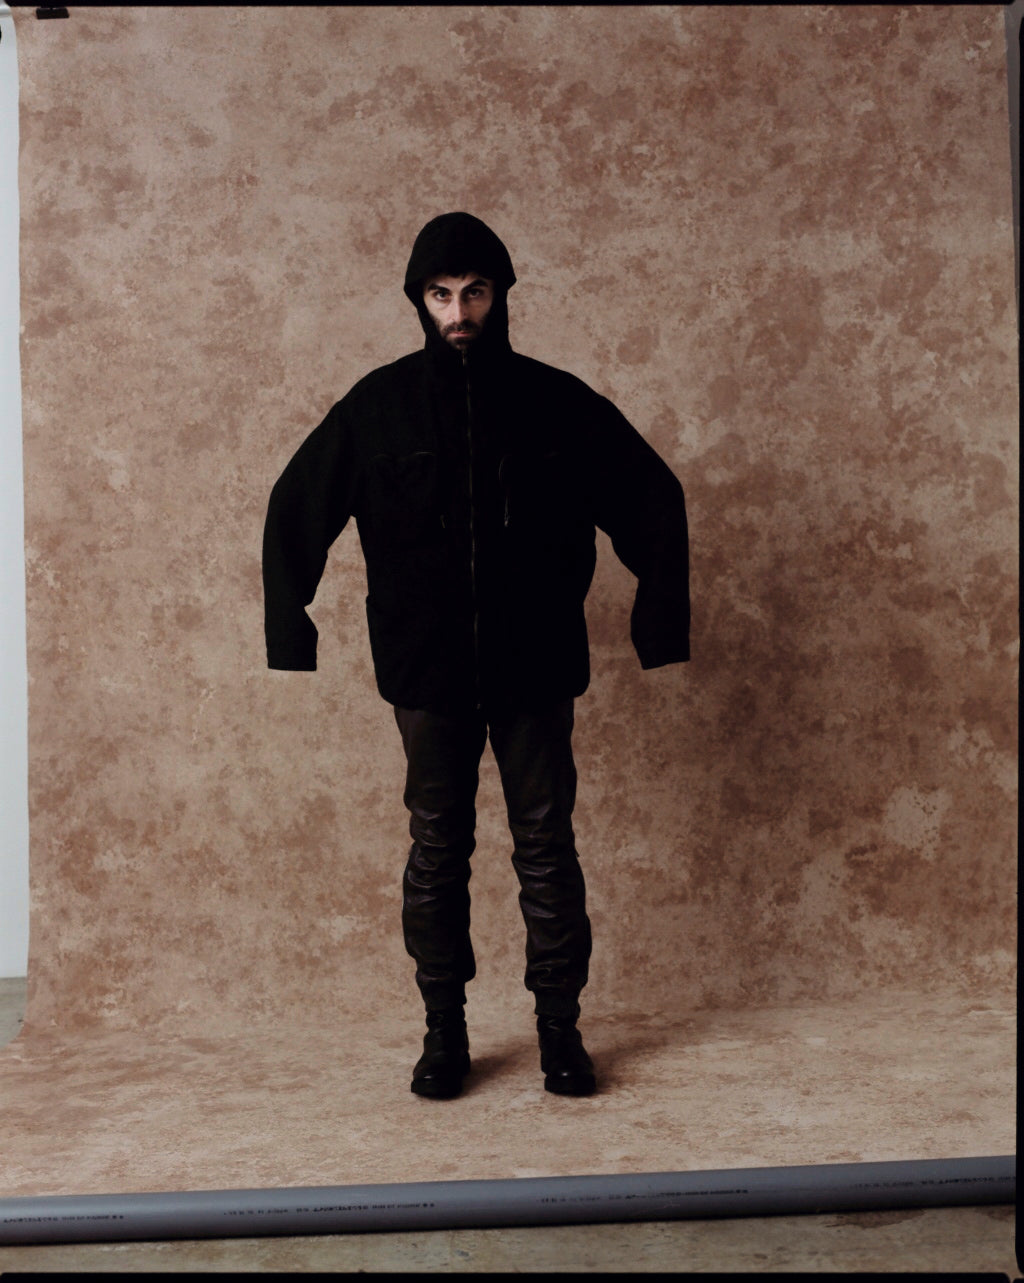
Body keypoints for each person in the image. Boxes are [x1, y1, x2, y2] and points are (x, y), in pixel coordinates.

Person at [262, 212, 690, 1100]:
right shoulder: (377, 408)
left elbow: (652, 496)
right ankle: (443, 1030)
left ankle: (560, 1030)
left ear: (501, 296)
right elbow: (294, 506)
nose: (459, 312)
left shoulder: (557, 402)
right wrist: (290, 630)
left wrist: (659, 626)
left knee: (547, 846)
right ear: (419, 301)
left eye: (475, 292)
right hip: (426, 670)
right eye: (441, 294)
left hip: (537, 663)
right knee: (436, 849)